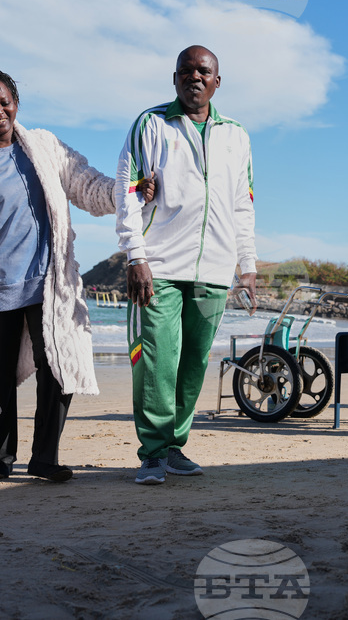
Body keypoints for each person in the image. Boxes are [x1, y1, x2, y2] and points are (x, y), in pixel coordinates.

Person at [0, 68, 152, 482]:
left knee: (60, 367)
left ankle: (45, 458)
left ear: (16, 103)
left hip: (49, 286)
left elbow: (87, 184)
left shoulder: (45, 147)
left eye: (4, 102)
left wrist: (129, 191)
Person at [115, 45, 257, 485]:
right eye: (186, 71)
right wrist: (135, 255)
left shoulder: (237, 135)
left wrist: (247, 264)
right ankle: (153, 452)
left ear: (217, 81)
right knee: (157, 361)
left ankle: (174, 446)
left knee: (193, 364)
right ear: (174, 78)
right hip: (158, 265)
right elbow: (127, 191)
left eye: (203, 72)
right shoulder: (151, 123)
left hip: (214, 268)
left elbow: (243, 204)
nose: (195, 77)